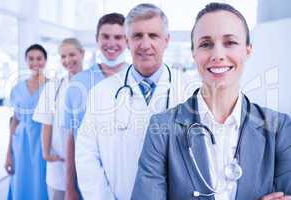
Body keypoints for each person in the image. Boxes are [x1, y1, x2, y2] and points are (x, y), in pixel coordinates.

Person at [131, 2, 291, 200]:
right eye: (206, 44)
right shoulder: (162, 128)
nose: (217, 55)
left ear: (248, 50)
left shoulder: (280, 128)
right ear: (194, 53)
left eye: (230, 42)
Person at [75, 3, 199, 200]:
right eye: (137, 36)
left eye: (153, 36)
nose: (145, 44)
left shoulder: (191, 93)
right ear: (127, 41)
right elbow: (86, 154)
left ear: (166, 40)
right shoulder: (102, 93)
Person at [62, 13, 128, 200]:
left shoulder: (137, 79)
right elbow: (71, 138)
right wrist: (69, 187)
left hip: (126, 180)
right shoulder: (78, 83)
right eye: (105, 36)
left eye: (118, 37)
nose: (111, 43)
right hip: (86, 183)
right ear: (97, 39)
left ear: (127, 40)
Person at [33, 38, 85, 200]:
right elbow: (46, 123)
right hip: (59, 162)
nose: (68, 60)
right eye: (63, 56)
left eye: (72, 54)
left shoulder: (95, 84)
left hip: (87, 163)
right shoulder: (53, 87)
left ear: (82, 54)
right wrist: (46, 153)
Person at [5, 44, 48, 200]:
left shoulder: (52, 86)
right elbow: (15, 120)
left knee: (41, 184)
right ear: (26, 61)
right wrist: (9, 154)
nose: (35, 62)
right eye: (31, 59)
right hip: (21, 143)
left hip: (43, 142)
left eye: (39, 58)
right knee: (20, 184)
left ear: (45, 61)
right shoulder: (17, 89)